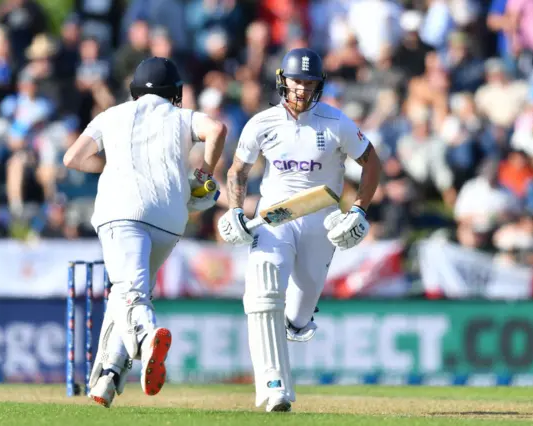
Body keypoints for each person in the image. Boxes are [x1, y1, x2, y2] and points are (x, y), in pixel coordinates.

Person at [217, 47, 381, 412]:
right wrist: (234, 211)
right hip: (274, 217)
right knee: (263, 292)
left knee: (298, 314)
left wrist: (358, 210)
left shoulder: (335, 121)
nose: (302, 89)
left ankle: (296, 322)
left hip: (320, 219)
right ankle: (274, 388)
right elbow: (238, 171)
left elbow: (372, 164)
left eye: (309, 82)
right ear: (282, 81)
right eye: (296, 81)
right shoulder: (262, 123)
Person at [63, 57, 227, 407]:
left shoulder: (112, 115)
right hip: (170, 220)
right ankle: (108, 376)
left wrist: (113, 164)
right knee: (126, 291)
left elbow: (72, 159)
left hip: (122, 213)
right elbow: (217, 130)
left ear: (134, 90)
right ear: (175, 93)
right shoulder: (182, 117)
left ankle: (150, 336)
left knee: (129, 293)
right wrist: (203, 174)